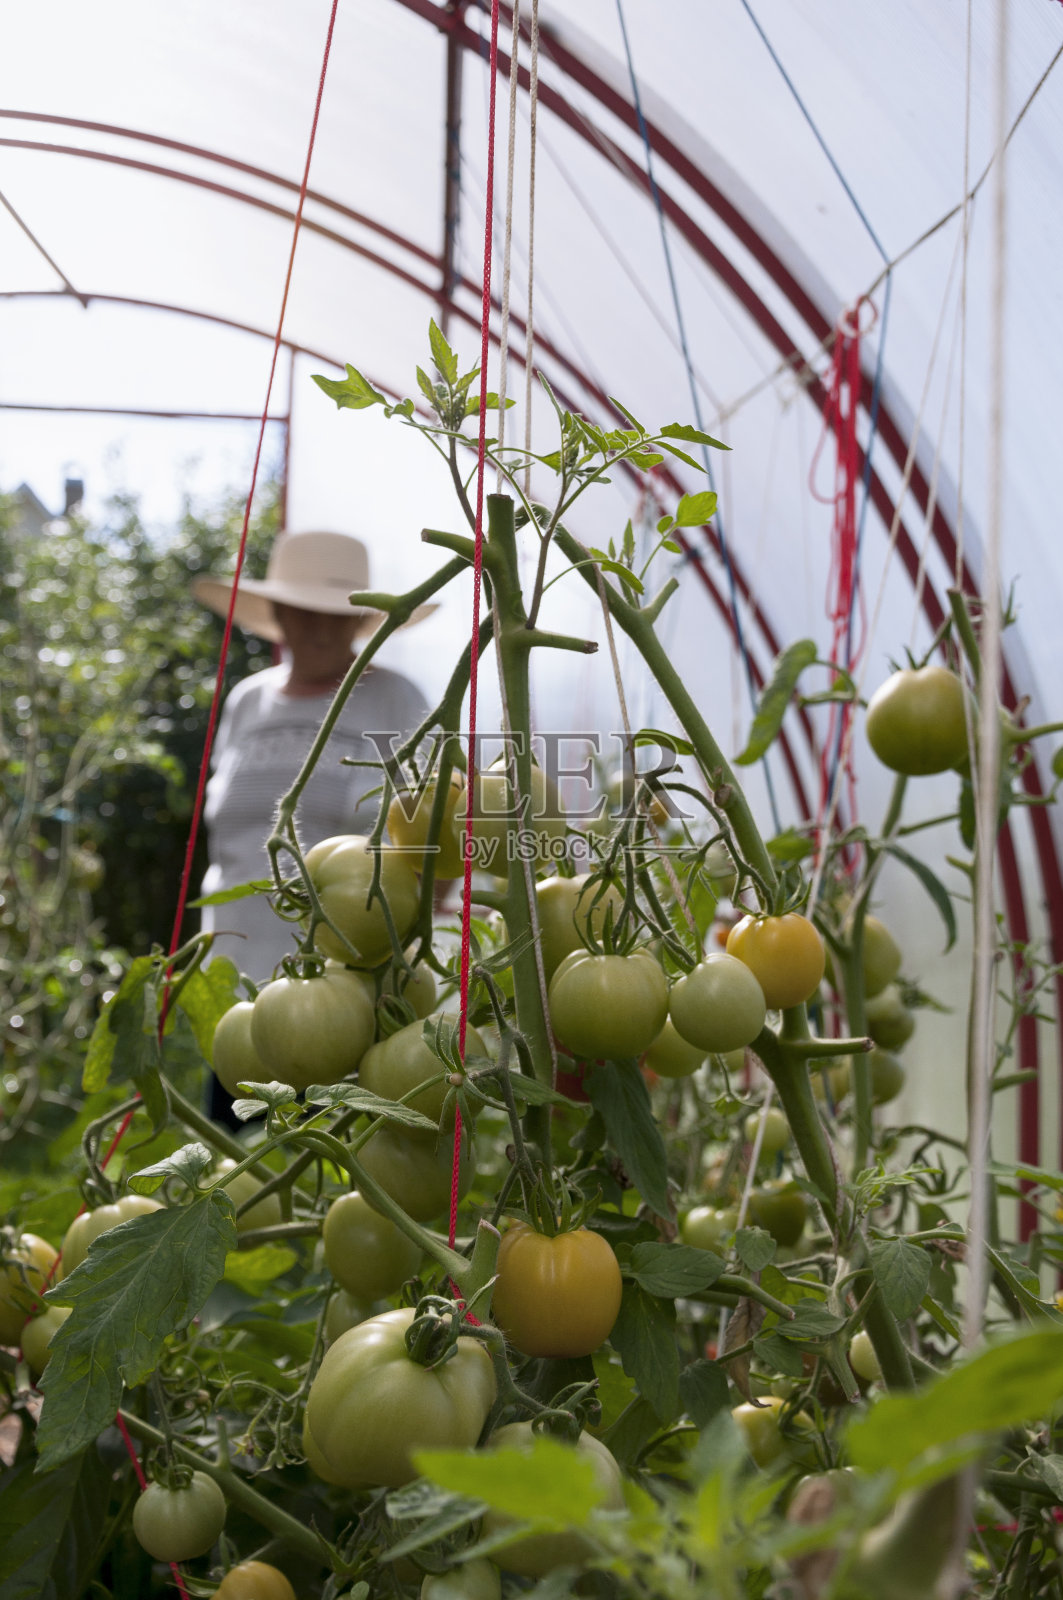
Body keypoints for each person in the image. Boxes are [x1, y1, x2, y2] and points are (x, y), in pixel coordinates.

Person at [192, 530, 432, 986]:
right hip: (227, 976)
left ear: (361, 620)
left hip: (343, 988)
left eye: (338, 615)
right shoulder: (247, 700)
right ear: (278, 612)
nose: (322, 629)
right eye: (307, 611)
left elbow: (436, 831)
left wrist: (394, 955)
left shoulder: (394, 699)